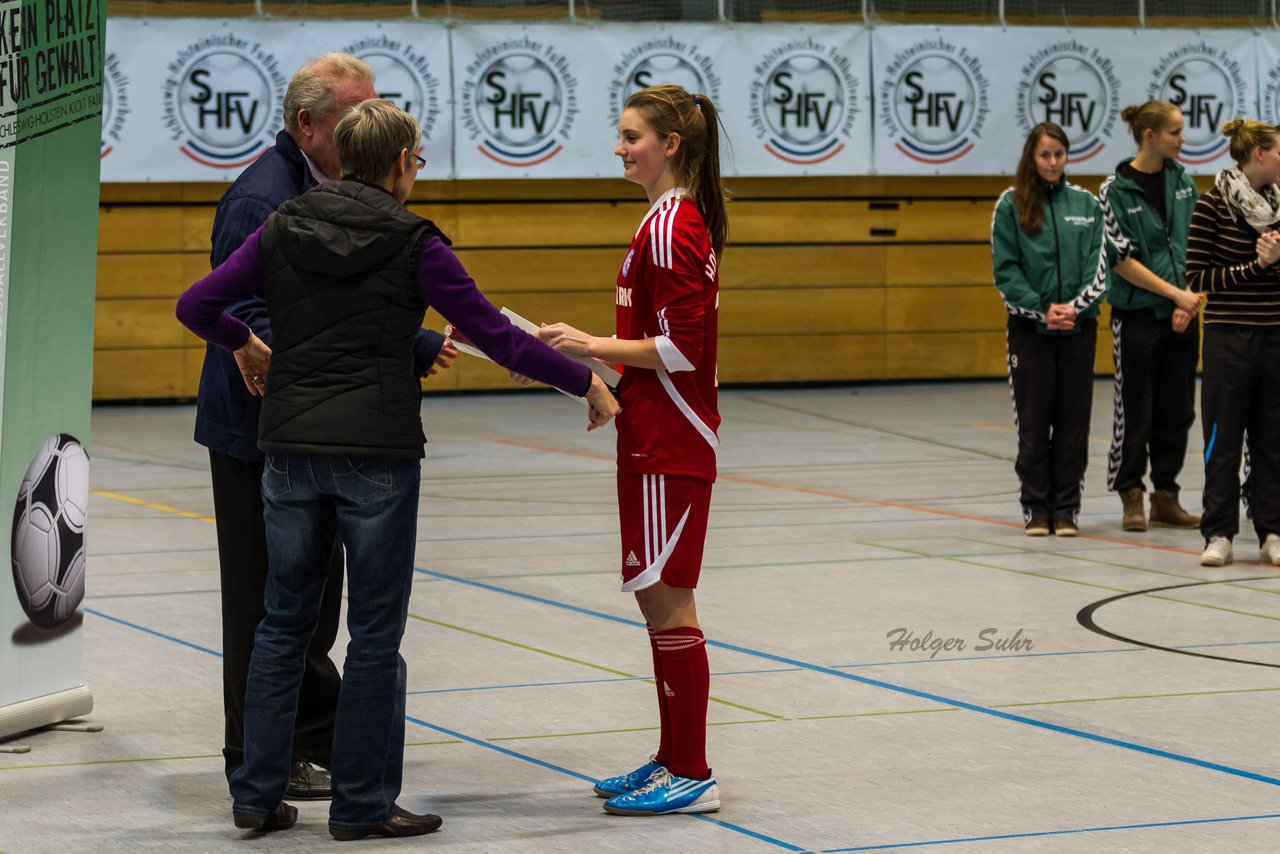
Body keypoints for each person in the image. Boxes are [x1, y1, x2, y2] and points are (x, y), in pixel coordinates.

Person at [177, 99, 619, 838]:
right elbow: (496, 339)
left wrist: (248, 344)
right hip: (375, 454)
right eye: (417, 159)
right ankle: (361, 805)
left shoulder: (282, 225)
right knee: (374, 635)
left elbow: (197, 305)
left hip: (288, 449)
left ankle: (255, 795)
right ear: (401, 164)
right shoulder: (417, 242)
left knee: (282, 624)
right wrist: (584, 380)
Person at [200, 53, 454, 799]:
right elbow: (249, 316)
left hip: (307, 429)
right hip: (257, 434)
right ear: (306, 124)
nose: (368, 126)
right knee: (265, 607)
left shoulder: (333, 191)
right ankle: (252, 758)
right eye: (351, 115)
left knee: (309, 612)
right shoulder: (261, 200)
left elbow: (329, 309)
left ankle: (303, 749)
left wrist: (411, 342)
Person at [538, 84, 724, 816]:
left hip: (670, 440)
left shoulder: (675, 227)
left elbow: (684, 348)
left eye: (631, 135)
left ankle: (695, 771)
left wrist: (587, 345)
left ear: (670, 144)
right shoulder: (661, 221)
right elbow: (655, 345)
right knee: (657, 604)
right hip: (649, 430)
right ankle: (673, 756)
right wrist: (600, 375)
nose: (619, 147)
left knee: (670, 604)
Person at [992, 122, 1109, 537]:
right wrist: (1044, 310)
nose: (1054, 162)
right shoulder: (1010, 205)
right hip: (1031, 332)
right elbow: (1006, 271)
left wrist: (1074, 309)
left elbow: (1100, 268)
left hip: (1079, 330)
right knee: (1034, 423)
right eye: (1045, 155)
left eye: (1059, 154)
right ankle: (1036, 508)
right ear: (1032, 157)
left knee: (1074, 424)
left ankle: (1066, 510)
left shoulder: (1088, 204)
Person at [1099, 100, 1203, 532]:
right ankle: (1131, 493)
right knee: (1135, 407)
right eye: (1175, 132)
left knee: (1178, 409)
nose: (1182, 139)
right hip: (1139, 316)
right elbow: (1122, 260)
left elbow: (1199, 244)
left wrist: (1191, 298)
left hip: (1183, 315)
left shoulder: (1184, 182)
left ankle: (1166, 493)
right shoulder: (1115, 190)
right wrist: (1174, 295)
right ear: (1150, 136)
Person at [1185, 118, 1280, 566]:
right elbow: (1197, 278)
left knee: (1272, 439)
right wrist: (1255, 267)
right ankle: (1218, 532)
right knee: (1223, 440)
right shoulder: (1212, 207)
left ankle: (1273, 530)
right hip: (1228, 340)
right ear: (1258, 154)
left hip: (1275, 338)